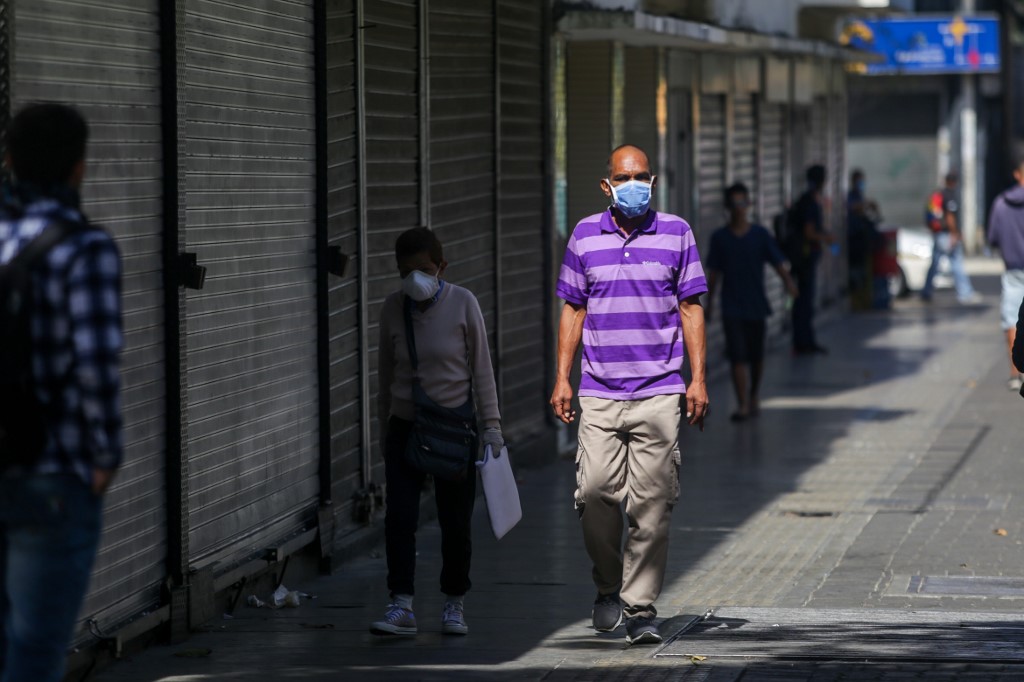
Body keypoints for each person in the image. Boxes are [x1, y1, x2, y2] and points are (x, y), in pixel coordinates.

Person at [549, 144, 708, 645]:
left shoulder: (677, 233)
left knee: (653, 503)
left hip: (660, 390)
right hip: (598, 391)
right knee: (594, 491)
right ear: (607, 184)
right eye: (623, 176)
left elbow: (691, 308)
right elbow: (572, 309)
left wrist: (696, 378)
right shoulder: (583, 236)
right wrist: (562, 376)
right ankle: (606, 585)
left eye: (640, 176)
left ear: (653, 180)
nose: (633, 184)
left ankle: (640, 608)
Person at [0, 104, 123, 682]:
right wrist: (104, 457)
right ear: (79, 168)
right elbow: (96, 366)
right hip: (53, 473)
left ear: (9, 161)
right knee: (35, 651)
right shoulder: (84, 247)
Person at [371, 227, 502, 638]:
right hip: (406, 429)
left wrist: (492, 426)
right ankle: (401, 605)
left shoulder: (464, 303)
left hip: (454, 429)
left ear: (442, 267)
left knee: (456, 522)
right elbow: (384, 375)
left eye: (424, 270)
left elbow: (482, 368)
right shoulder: (393, 308)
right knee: (400, 518)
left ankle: (454, 603)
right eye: (406, 272)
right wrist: (383, 430)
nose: (416, 280)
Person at [706, 182, 798, 422]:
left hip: (756, 304)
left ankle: (754, 394)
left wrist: (789, 283)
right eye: (735, 203)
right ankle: (743, 404)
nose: (739, 208)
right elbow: (713, 273)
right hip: (731, 306)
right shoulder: (720, 238)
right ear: (728, 207)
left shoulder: (760, 235)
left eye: (743, 203)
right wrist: (709, 304)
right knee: (737, 356)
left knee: (756, 357)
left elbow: (778, 263)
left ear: (748, 205)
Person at [787, 164, 835, 355]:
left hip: (805, 258)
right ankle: (803, 341)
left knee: (804, 301)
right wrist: (827, 238)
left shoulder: (808, 200)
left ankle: (805, 340)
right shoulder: (810, 202)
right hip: (805, 260)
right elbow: (809, 232)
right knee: (804, 302)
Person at [987, 156, 1024, 391]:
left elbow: (992, 238)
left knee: (1011, 319)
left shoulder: (1001, 203)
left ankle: (1015, 372)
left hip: (1012, 270)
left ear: (1016, 175)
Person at [921, 171, 981, 304]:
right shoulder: (950, 196)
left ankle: (926, 291)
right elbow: (950, 217)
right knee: (956, 263)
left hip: (939, 235)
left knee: (935, 264)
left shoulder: (940, 194)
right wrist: (955, 234)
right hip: (947, 235)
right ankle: (965, 293)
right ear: (954, 182)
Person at [846, 169, 882, 309]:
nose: (862, 184)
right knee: (856, 273)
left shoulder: (860, 196)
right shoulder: (852, 196)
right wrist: (865, 205)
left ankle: (864, 302)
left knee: (864, 273)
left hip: (863, 243)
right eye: (859, 181)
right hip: (855, 242)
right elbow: (851, 207)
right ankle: (857, 302)